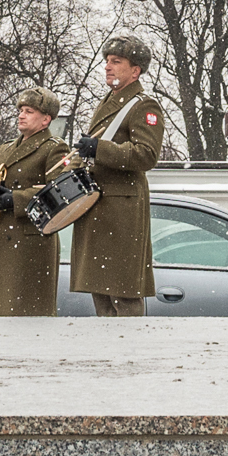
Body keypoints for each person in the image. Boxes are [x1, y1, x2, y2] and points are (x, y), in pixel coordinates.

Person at [64, 36, 165, 316]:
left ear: (135, 70)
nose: (107, 67)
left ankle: (128, 356)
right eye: (107, 61)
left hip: (121, 213)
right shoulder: (110, 102)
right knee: (103, 297)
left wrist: (100, 148)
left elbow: (146, 155)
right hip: (100, 208)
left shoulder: (143, 105)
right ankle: (108, 354)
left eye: (116, 62)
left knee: (124, 295)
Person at [0, 88, 64, 317]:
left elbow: (59, 193)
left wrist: (14, 199)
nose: (21, 116)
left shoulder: (54, 148)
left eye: (29, 111)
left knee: (28, 315)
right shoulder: (4, 150)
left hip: (31, 244)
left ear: (46, 119)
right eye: (21, 111)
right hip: (2, 240)